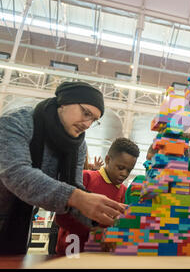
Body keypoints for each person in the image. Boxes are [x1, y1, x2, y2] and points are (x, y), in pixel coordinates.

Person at [0, 81, 126, 255]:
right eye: (86, 113)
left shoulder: (79, 145)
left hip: (19, 223)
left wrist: (102, 219)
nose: (87, 124)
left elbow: (75, 189)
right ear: (64, 101)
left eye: (94, 120)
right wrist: (77, 197)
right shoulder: (16, 122)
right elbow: (17, 174)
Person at [55, 137, 140, 254]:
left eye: (129, 170)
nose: (124, 174)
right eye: (120, 168)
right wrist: (95, 231)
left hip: (100, 257)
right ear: (108, 159)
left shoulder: (125, 192)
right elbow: (61, 217)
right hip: (71, 252)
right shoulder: (85, 178)